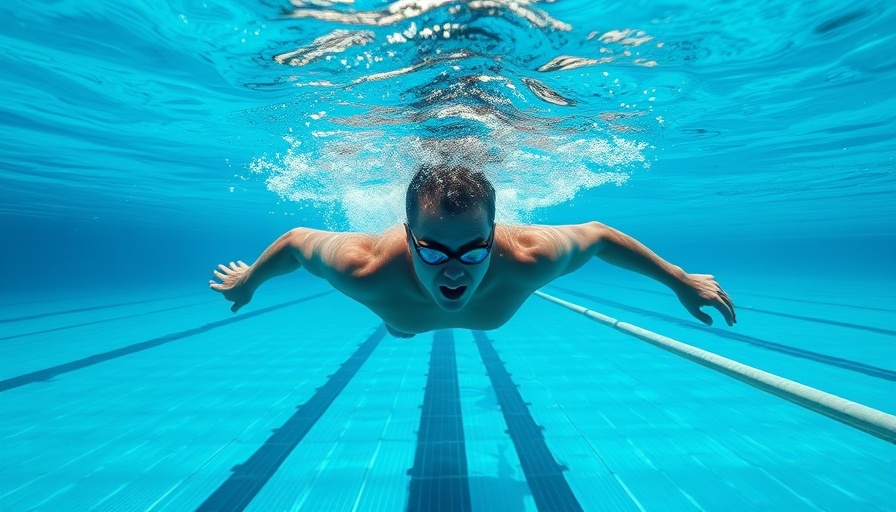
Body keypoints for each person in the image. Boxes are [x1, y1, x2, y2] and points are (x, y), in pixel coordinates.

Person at [210, 165, 736, 338]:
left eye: (473, 249)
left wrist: (680, 280)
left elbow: (597, 234)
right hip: (401, 312)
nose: (455, 269)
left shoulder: (529, 257)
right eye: (434, 250)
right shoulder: (366, 269)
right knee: (401, 329)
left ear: (493, 235)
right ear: (409, 236)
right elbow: (299, 241)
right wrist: (250, 280)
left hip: (413, 301)